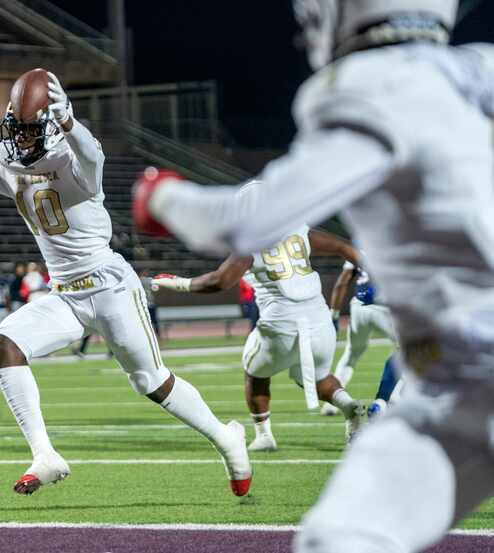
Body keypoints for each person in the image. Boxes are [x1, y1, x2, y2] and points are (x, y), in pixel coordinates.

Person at [132, 2, 494, 550]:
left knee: (341, 539)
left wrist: (163, 197)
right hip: (454, 385)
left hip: (468, 383)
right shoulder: (480, 68)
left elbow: (245, 222)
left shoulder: (368, 84)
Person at [0, 69, 252, 497]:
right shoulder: (8, 162)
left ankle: (225, 438)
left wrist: (72, 123)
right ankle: (45, 454)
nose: (22, 139)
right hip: (66, 295)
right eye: (17, 128)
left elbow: (93, 156)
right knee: (4, 343)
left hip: (109, 287)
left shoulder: (74, 161)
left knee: (152, 382)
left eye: (32, 130)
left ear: (54, 124)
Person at [152, 219, 364, 451]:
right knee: (318, 377)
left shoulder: (252, 242)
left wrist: (177, 283)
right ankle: (348, 406)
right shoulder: (299, 229)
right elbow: (344, 247)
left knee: (255, 372)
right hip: (320, 321)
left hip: (281, 324)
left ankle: (264, 435)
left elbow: (218, 281)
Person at [321, 259, 400, 418]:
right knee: (407, 351)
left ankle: (333, 403)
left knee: (351, 353)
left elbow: (342, 282)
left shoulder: (360, 245)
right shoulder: (399, 243)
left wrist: (334, 315)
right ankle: (385, 400)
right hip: (383, 308)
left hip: (358, 307)